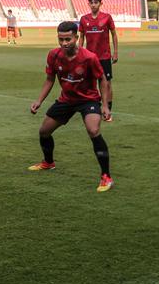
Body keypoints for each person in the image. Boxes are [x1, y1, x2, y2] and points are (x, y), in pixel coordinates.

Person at [28, 21, 113, 192]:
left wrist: (105, 105)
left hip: (88, 100)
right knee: (44, 131)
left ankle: (106, 176)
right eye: (61, 39)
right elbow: (49, 80)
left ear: (76, 37)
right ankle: (48, 162)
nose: (64, 43)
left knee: (93, 130)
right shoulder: (53, 55)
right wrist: (39, 100)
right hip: (66, 100)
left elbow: (102, 79)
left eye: (68, 39)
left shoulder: (89, 57)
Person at [78, 0, 118, 122]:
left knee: (107, 83)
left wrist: (116, 52)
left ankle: (108, 110)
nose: (94, 5)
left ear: (101, 3)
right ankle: (91, 110)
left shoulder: (107, 18)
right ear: (88, 4)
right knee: (89, 83)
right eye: (92, 2)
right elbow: (81, 37)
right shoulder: (84, 19)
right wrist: (79, 52)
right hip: (89, 58)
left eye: (96, 2)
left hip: (104, 56)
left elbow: (114, 35)